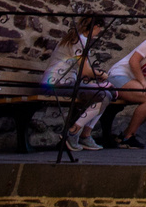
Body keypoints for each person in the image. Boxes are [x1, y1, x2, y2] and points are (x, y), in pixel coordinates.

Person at [42, 16, 111, 151]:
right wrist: (102, 74)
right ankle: (73, 132)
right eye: (99, 29)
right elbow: (85, 71)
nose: (99, 33)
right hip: (57, 83)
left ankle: (84, 135)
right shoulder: (80, 41)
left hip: (67, 82)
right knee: (101, 95)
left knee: (108, 94)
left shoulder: (77, 38)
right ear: (96, 27)